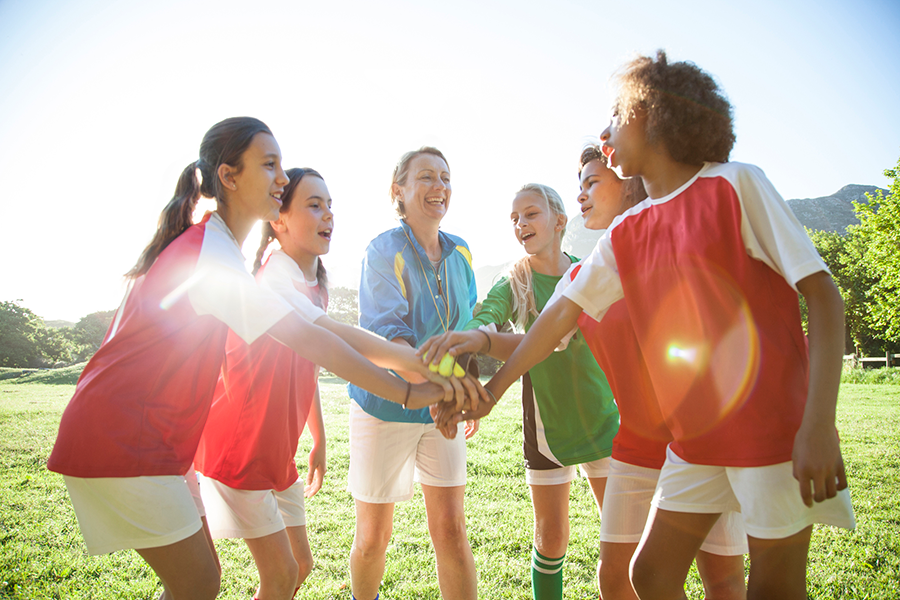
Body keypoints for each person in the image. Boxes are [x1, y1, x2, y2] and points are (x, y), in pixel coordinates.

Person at [476, 52, 856, 600]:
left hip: (773, 431)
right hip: (695, 442)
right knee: (649, 577)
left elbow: (822, 296)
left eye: (614, 117)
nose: (604, 133)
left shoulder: (737, 185)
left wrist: (819, 423)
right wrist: (495, 387)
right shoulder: (628, 230)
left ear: (652, 115)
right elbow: (560, 314)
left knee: (774, 585)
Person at [46, 119, 461, 600]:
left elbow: (336, 335)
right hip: (124, 436)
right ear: (228, 176)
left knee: (202, 582)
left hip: (150, 441)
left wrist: (437, 373)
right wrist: (413, 390)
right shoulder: (218, 259)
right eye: (269, 165)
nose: (281, 179)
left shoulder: (220, 249)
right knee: (200, 582)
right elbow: (316, 340)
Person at [419, 183, 619, 600]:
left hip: (602, 419)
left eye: (530, 214)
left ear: (559, 221)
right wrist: (471, 339)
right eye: (514, 218)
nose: (520, 224)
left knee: (619, 539)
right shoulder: (515, 281)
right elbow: (488, 317)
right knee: (551, 537)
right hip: (547, 423)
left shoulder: (587, 272)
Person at [572, 145, 747, 600]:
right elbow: (541, 337)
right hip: (634, 444)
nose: (581, 195)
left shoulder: (673, 243)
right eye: (579, 185)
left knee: (723, 580)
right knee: (617, 577)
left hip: (700, 440)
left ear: (628, 181)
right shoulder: (583, 274)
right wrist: (481, 344)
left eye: (592, 182)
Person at [347, 147, 478, 600]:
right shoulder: (382, 250)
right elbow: (392, 343)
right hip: (385, 406)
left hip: (443, 407)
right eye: (426, 177)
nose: (439, 186)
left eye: (445, 177)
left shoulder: (461, 250)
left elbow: (466, 330)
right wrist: (455, 386)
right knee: (371, 539)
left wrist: (460, 387)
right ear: (397, 191)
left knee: (452, 531)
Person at [193, 168, 330, 600]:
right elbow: (342, 349)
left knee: (299, 566)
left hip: (277, 453)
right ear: (279, 219)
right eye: (314, 204)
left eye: (330, 206)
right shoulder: (271, 282)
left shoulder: (315, 290)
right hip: (242, 448)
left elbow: (310, 367)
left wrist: (319, 438)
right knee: (281, 573)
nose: (328, 215)